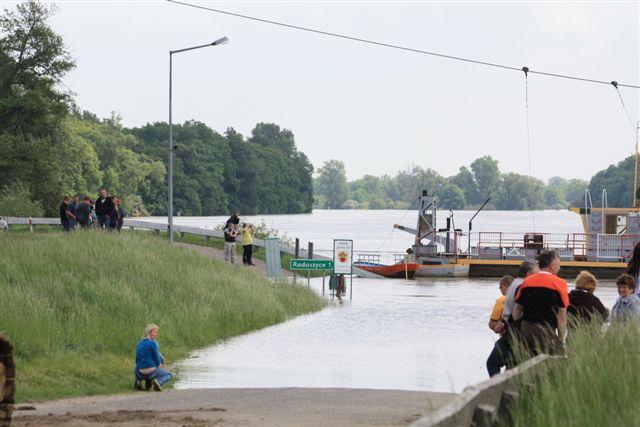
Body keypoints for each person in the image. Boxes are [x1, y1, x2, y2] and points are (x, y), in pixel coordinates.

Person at [512, 250, 569, 357]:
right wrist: (560, 340)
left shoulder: (526, 282)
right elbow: (562, 317)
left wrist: (522, 328)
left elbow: (516, 312)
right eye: (558, 265)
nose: (560, 268)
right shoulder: (560, 284)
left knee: (526, 362)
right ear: (551, 266)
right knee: (560, 360)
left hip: (526, 330)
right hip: (546, 332)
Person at [486, 275, 514, 377]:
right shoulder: (521, 296)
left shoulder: (501, 300)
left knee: (491, 363)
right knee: (511, 367)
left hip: (507, 339)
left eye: (500, 287)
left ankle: (496, 387)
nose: (500, 290)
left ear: (504, 286)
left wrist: (496, 328)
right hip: (523, 339)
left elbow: (492, 324)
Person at [134, 324, 173, 391]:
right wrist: (160, 364)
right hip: (151, 372)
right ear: (149, 332)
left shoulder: (139, 343)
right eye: (155, 332)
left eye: (157, 332)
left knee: (137, 367)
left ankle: (138, 381)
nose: (156, 334)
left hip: (139, 373)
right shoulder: (153, 343)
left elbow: (137, 360)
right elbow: (157, 358)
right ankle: (158, 382)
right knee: (169, 375)